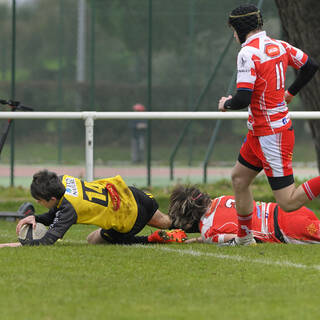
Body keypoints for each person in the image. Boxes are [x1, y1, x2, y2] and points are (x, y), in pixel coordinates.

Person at [218, 4, 319, 245]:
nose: (233, 36)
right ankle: (244, 239)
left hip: (272, 135)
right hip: (260, 133)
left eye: (233, 30)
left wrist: (226, 104)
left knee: (288, 202)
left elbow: (242, 98)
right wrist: (290, 93)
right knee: (240, 179)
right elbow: (310, 66)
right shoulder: (279, 46)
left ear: (240, 29)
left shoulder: (247, 53)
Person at [1, 170, 186, 247]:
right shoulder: (63, 180)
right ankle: (199, 223)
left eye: (40, 200)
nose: (39, 203)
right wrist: (35, 217)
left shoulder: (68, 209)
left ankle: (153, 238)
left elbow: (49, 239)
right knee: (169, 222)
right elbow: (54, 213)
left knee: (93, 240)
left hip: (130, 217)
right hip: (134, 195)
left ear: (51, 198)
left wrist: (20, 244)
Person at [168, 185, 320, 245]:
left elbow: (241, 240)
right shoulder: (221, 199)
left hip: (286, 229)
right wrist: (197, 240)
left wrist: (202, 239)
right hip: (290, 210)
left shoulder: (207, 230)